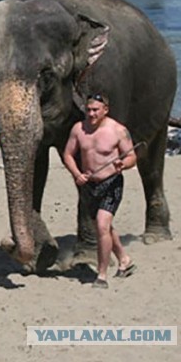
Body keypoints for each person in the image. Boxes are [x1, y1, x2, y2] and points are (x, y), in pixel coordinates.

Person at [63, 93, 137, 289]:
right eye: (88, 110)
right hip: (89, 185)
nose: (91, 114)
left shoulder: (118, 130)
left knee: (102, 226)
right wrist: (77, 173)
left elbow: (132, 157)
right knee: (104, 227)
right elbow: (68, 154)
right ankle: (124, 259)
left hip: (111, 183)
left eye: (95, 110)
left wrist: (124, 164)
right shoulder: (79, 129)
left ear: (105, 110)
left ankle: (101, 274)